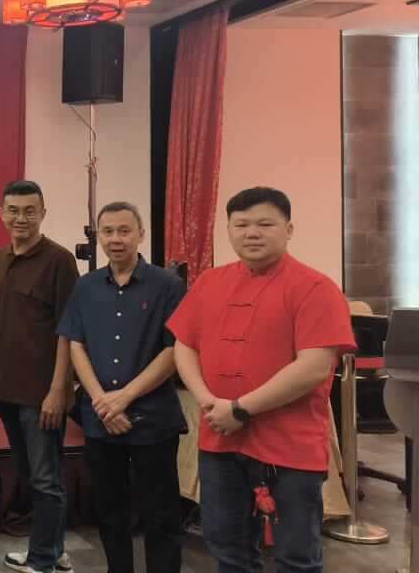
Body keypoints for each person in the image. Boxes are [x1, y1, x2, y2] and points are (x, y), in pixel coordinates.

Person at [171, 187, 355, 573]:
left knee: (296, 556)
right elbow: (183, 345)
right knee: (228, 549)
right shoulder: (209, 282)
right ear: (228, 230)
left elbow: (314, 367)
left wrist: (240, 408)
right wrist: (207, 400)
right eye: (241, 225)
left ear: (289, 229)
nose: (251, 233)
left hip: (289, 444)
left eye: (265, 224)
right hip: (220, 440)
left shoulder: (315, 287)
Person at [60, 202, 186, 573]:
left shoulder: (168, 285)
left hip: (153, 419)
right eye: (108, 231)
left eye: (124, 230)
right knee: (111, 514)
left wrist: (124, 398)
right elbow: (75, 344)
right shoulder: (85, 286)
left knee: (161, 516)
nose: (116, 239)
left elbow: (174, 350)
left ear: (140, 234)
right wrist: (102, 401)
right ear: (99, 236)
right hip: (101, 419)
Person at [0, 180, 78, 573]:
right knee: (33, 475)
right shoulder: (0, 258)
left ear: (43, 213)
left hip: (42, 393)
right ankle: (53, 549)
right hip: (8, 390)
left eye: (29, 210)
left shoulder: (59, 260)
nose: (21, 218)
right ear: (1, 214)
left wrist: (59, 389)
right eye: (13, 210)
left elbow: (69, 331)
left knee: (46, 479)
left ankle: (42, 560)